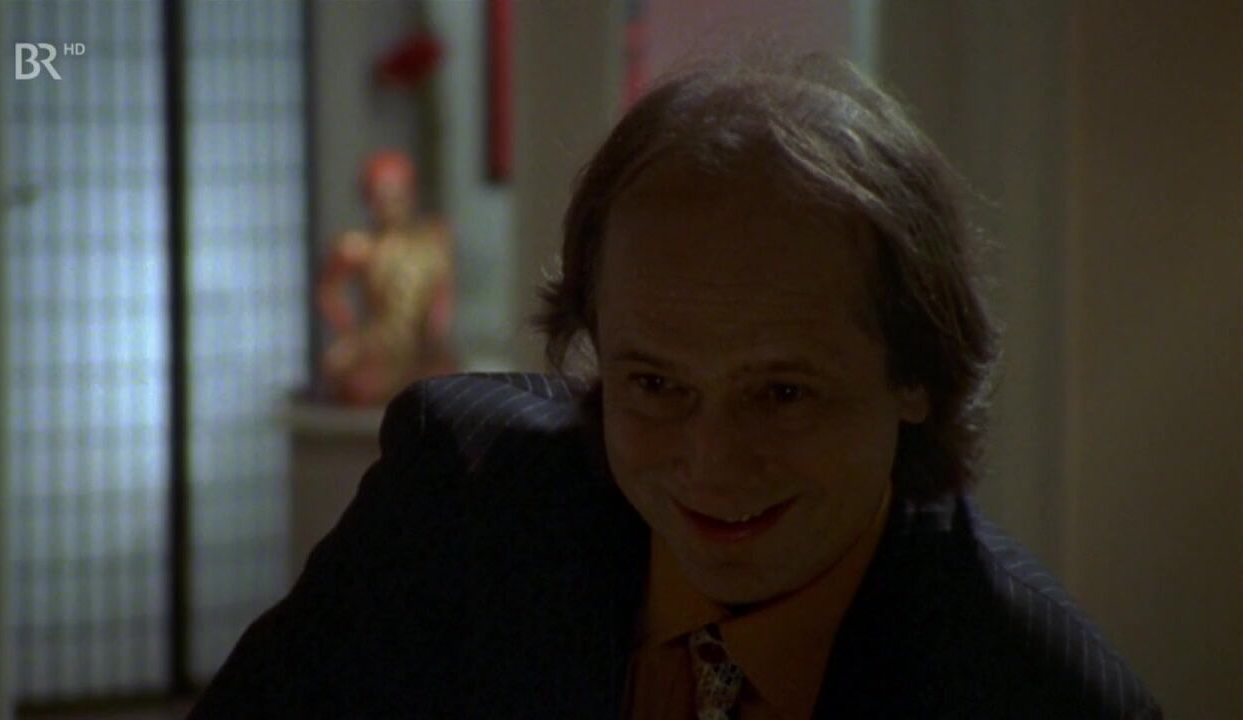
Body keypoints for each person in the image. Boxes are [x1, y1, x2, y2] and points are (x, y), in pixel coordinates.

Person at [191, 54, 1161, 719]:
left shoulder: (1037, 693)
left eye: (781, 394)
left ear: (913, 375)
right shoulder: (455, 502)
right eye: (655, 383)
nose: (710, 465)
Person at [315, 150, 455, 406]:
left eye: (397, 196)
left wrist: (434, 332)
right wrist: (350, 332)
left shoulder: (431, 240)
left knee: (443, 383)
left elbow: (442, 290)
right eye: (381, 197)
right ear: (368, 199)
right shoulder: (358, 246)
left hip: (421, 348)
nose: (390, 206)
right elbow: (328, 290)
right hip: (376, 344)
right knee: (348, 375)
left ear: (411, 195)